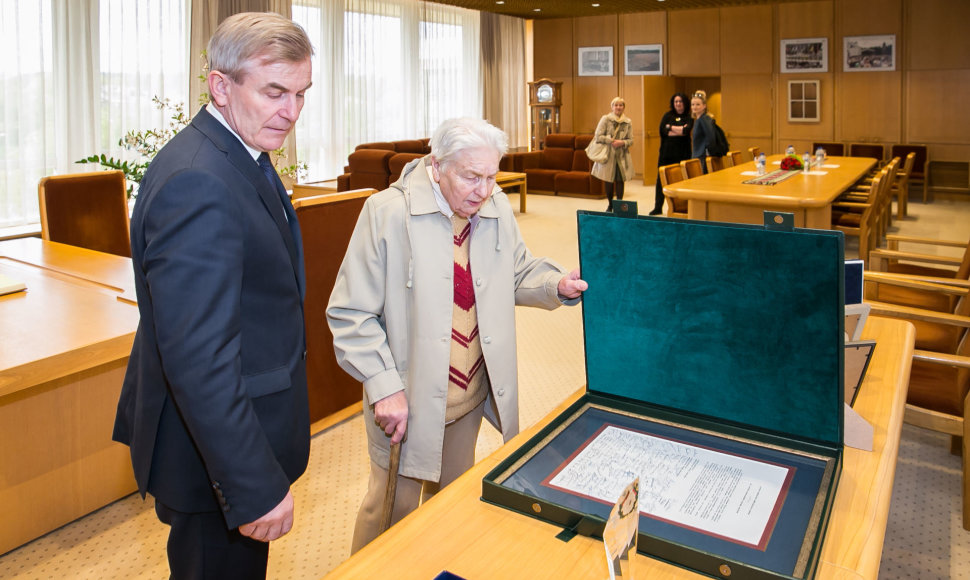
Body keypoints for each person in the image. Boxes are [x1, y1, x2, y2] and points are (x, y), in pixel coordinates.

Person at [112, 12, 314, 579]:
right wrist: (251, 486)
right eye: (275, 91)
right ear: (220, 86)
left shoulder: (239, 152)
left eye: (301, 94)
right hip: (216, 462)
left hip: (230, 439)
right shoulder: (199, 179)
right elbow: (199, 359)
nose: (291, 112)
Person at [327, 117, 588, 553]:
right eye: (471, 176)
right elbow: (351, 314)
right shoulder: (388, 213)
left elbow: (515, 270)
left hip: (467, 394)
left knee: (451, 508)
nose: (483, 190)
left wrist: (553, 284)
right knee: (392, 513)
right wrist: (383, 386)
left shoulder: (495, 206)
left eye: (491, 176)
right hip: (405, 401)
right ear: (437, 164)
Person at [651, 92, 693, 215]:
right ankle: (657, 207)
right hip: (666, 154)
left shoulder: (689, 117)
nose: (678, 104)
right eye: (676, 102)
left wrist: (671, 127)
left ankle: (680, 207)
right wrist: (678, 130)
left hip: (682, 154)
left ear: (685, 103)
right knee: (660, 181)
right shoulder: (667, 116)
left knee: (681, 180)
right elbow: (663, 132)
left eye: (680, 101)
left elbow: (686, 131)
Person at [590, 97, 634, 211]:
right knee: (608, 180)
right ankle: (610, 204)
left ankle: (619, 205)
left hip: (621, 156)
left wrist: (622, 142)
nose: (618, 107)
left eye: (621, 105)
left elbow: (631, 140)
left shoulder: (628, 122)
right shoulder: (605, 119)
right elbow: (598, 136)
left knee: (620, 180)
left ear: (624, 107)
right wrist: (611, 141)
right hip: (608, 155)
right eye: (616, 105)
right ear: (612, 107)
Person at [690, 90, 715, 174]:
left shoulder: (704, 119)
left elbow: (710, 138)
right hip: (698, 155)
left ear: (704, 106)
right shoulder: (699, 119)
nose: (694, 107)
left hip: (702, 156)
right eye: (693, 104)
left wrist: (707, 154)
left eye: (698, 104)